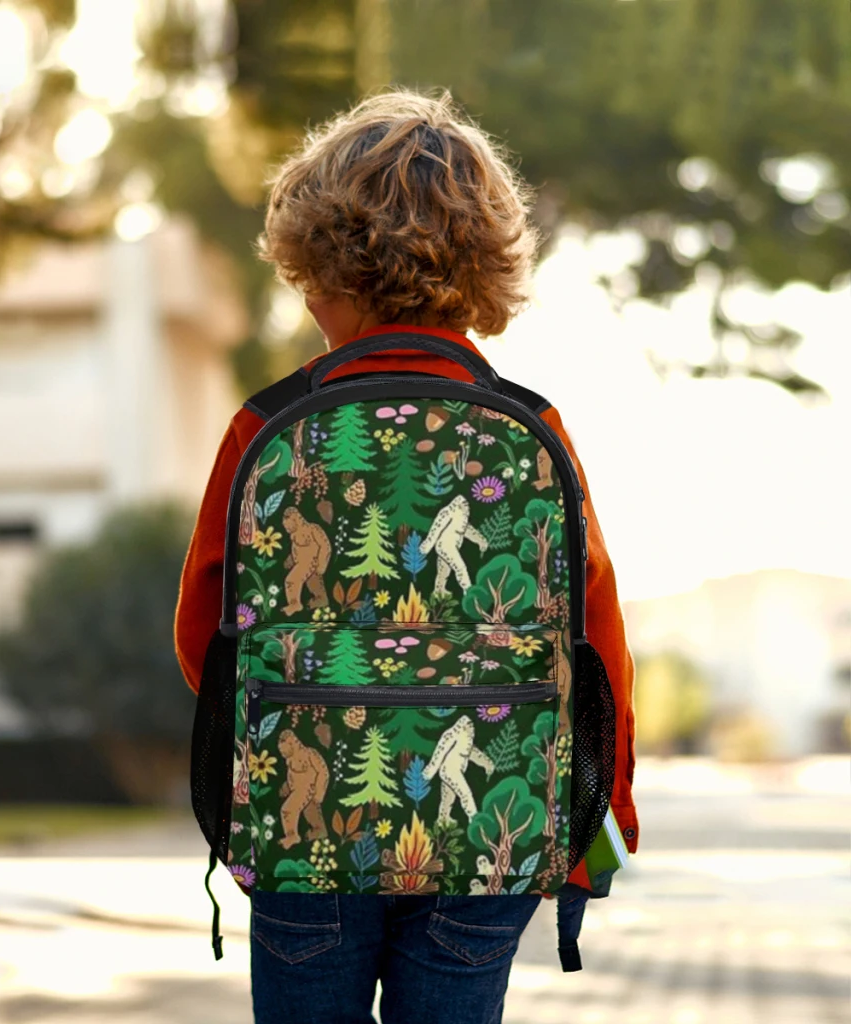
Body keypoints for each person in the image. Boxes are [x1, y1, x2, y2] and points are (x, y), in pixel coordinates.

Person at [175, 89, 637, 1024]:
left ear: (321, 269)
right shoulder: (532, 428)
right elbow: (596, 638)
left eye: (307, 279)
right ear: (485, 270)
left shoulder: (266, 427)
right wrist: (604, 809)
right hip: (486, 841)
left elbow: (202, 636)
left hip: (307, 838)